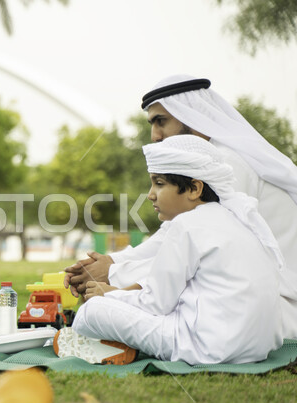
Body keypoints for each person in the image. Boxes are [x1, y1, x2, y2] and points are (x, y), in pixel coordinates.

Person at [65, 75, 297, 338]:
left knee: (105, 311)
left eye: (161, 121)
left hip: (274, 308)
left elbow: (184, 251)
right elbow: (173, 236)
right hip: (239, 306)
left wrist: (113, 273)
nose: (154, 135)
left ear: (194, 116)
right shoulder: (209, 163)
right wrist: (112, 262)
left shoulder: (227, 164)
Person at [54, 135, 284, 365]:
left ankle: (102, 344)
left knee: (92, 311)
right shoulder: (237, 219)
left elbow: (156, 304)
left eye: (159, 183)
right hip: (257, 349)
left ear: (194, 188)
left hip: (206, 349)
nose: (150, 194)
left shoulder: (186, 225)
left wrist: (109, 295)